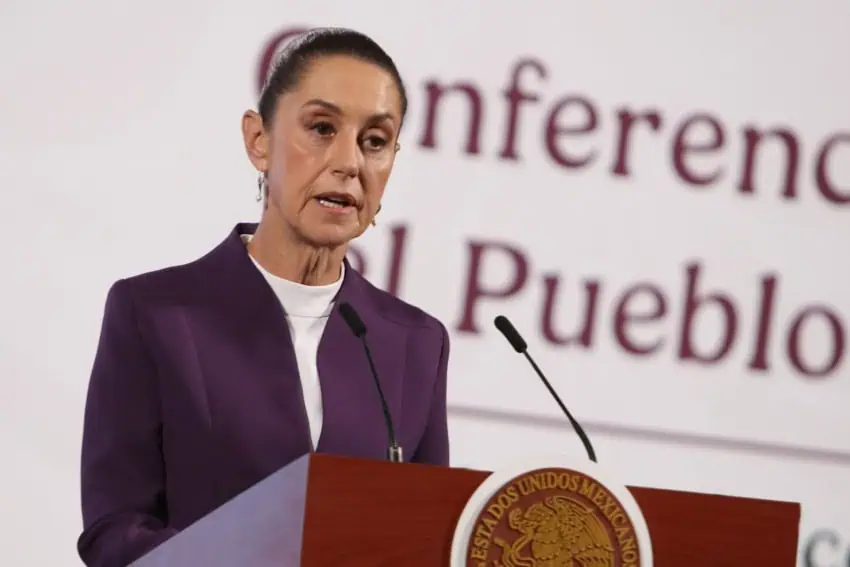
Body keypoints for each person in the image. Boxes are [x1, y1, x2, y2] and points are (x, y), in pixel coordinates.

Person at [76, 27, 451, 567]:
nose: (349, 162)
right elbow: (114, 533)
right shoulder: (155, 314)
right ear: (259, 141)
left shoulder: (414, 343)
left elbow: (428, 541)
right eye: (321, 128)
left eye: (374, 141)